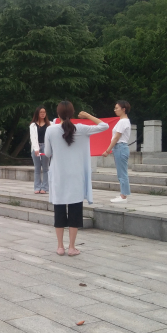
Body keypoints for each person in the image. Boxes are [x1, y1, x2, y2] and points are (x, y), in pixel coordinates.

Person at [44, 101, 109, 257]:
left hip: (59, 175)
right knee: (75, 210)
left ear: (58, 114)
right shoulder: (81, 128)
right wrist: (87, 115)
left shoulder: (50, 130)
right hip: (76, 176)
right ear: (72, 113)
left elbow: (47, 153)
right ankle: (72, 247)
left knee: (59, 210)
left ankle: (60, 247)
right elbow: (104, 126)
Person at [102, 101, 132, 203]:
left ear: (123, 109)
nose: (115, 110)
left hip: (120, 147)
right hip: (120, 148)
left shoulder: (123, 122)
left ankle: (123, 196)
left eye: (117, 108)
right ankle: (123, 193)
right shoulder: (122, 121)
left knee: (122, 173)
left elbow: (116, 138)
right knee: (121, 173)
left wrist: (107, 150)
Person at [29, 106, 51, 194]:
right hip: (36, 147)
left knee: (46, 168)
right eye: (41, 112)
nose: (42, 114)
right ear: (37, 113)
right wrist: (36, 148)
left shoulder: (50, 124)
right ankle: (37, 187)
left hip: (46, 146)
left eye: (44, 112)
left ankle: (45, 188)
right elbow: (33, 138)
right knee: (37, 168)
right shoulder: (33, 125)